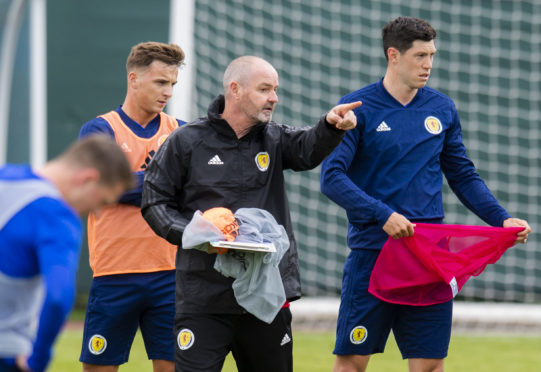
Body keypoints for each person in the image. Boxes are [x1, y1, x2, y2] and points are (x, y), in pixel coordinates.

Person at [320, 16, 531, 372]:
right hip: (373, 254)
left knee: (430, 365)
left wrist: (501, 218)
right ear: (393, 56)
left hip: (428, 257)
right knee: (352, 363)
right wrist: (381, 214)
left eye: (432, 55)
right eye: (420, 55)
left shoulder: (442, 108)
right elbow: (332, 178)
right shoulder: (357, 108)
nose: (428, 64)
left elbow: (462, 175)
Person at [141, 55, 360, 372]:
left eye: (275, 89)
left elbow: (306, 148)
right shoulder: (186, 141)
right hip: (203, 297)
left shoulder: (274, 138)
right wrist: (194, 234)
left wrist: (330, 126)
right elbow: (154, 201)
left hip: (266, 299)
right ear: (235, 89)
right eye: (265, 89)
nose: (274, 97)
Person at [78, 41, 185, 372]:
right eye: (160, 82)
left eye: (172, 84)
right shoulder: (100, 129)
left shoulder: (180, 131)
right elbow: (104, 188)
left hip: (169, 274)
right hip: (114, 273)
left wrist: (134, 182)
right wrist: (165, 184)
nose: (167, 91)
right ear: (134, 78)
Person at [0, 135, 133, 372]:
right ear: (88, 179)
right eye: (102, 201)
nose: (98, 213)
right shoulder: (58, 217)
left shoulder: (5, 175)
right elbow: (58, 297)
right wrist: (37, 360)